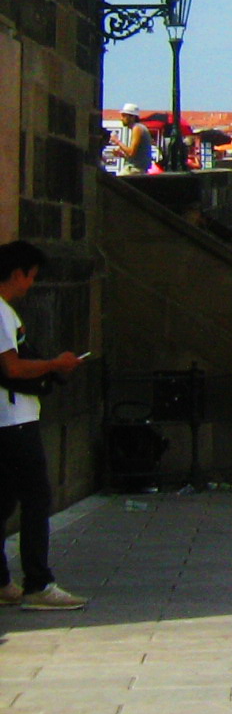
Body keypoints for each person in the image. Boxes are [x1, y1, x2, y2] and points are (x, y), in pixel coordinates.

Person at [0, 240, 87, 610]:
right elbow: (13, 367)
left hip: (6, 420)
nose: (30, 285)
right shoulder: (2, 312)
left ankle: (1, 581)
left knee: (2, 501)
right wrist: (54, 364)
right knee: (36, 498)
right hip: (14, 419)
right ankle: (38, 582)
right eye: (31, 278)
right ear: (17, 273)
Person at [115, 102, 154, 175]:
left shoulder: (137, 128)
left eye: (124, 115)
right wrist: (122, 155)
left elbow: (131, 152)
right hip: (138, 169)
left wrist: (117, 141)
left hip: (134, 170)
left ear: (132, 117)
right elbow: (135, 156)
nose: (121, 118)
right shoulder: (138, 128)